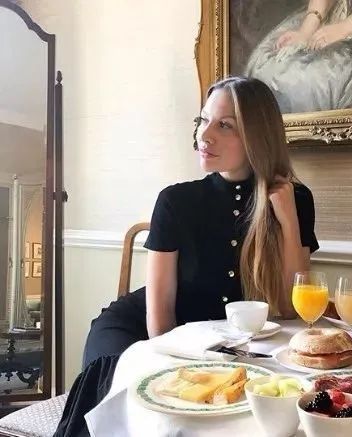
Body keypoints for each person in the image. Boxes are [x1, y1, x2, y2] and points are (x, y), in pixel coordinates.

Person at [54, 76, 319, 436]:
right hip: (144, 331)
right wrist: (172, 370)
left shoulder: (295, 199)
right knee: (145, 393)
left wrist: (287, 220)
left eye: (224, 125)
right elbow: (160, 314)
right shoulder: (176, 201)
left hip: (226, 345)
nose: (203, 136)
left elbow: (291, 308)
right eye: (203, 120)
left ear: (258, 136)